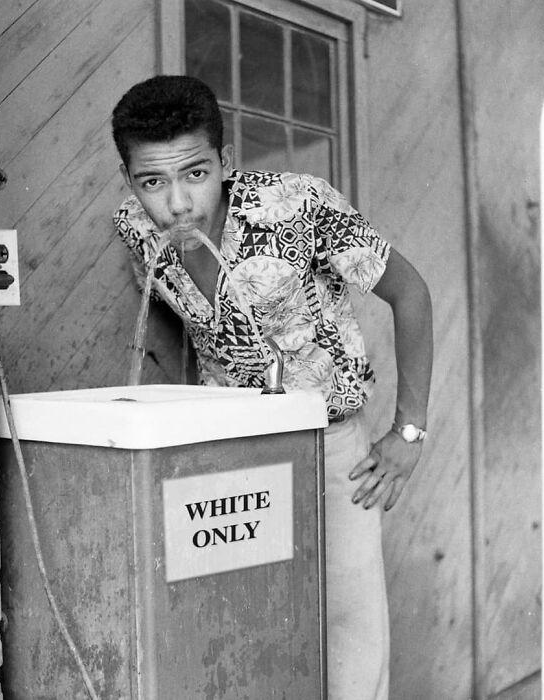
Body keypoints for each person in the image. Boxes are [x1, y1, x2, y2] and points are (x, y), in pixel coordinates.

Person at [111, 75, 433, 700]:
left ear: (225, 163)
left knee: (349, 628)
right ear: (131, 183)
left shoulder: (298, 205)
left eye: (195, 174)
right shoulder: (136, 228)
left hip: (331, 444)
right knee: (241, 623)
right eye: (154, 182)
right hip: (229, 451)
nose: (178, 203)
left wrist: (409, 430)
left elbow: (410, 293)